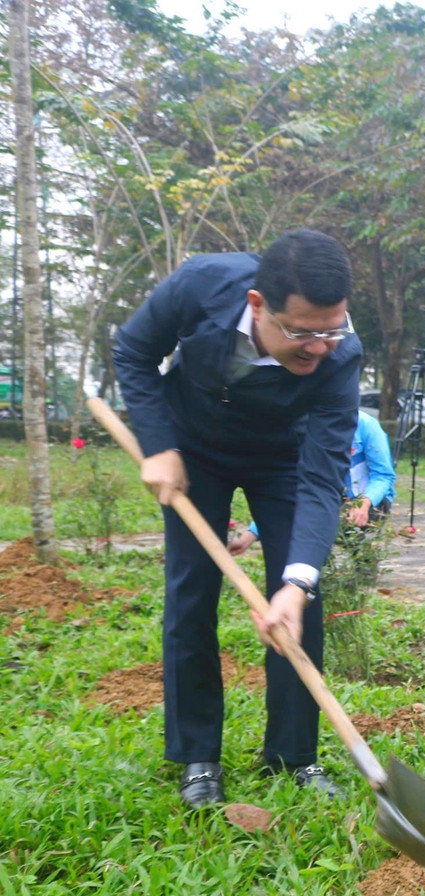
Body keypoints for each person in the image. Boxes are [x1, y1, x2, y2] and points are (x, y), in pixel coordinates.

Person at [113, 230, 362, 810]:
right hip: (192, 450)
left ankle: (295, 754)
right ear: (257, 306)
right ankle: (199, 757)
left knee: (301, 597)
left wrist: (297, 581)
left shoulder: (341, 353)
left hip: (284, 457)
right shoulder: (202, 284)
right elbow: (133, 351)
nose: (318, 346)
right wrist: (158, 445)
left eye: (332, 329)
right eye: (301, 332)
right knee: (191, 595)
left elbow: (324, 476)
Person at [228, 410, 396, 554]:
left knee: (347, 530)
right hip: (328, 499)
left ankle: (362, 560)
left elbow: (383, 476)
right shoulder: (306, 430)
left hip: (369, 501)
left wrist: (364, 502)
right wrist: (250, 535)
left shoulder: (367, 425)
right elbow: (291, 489)